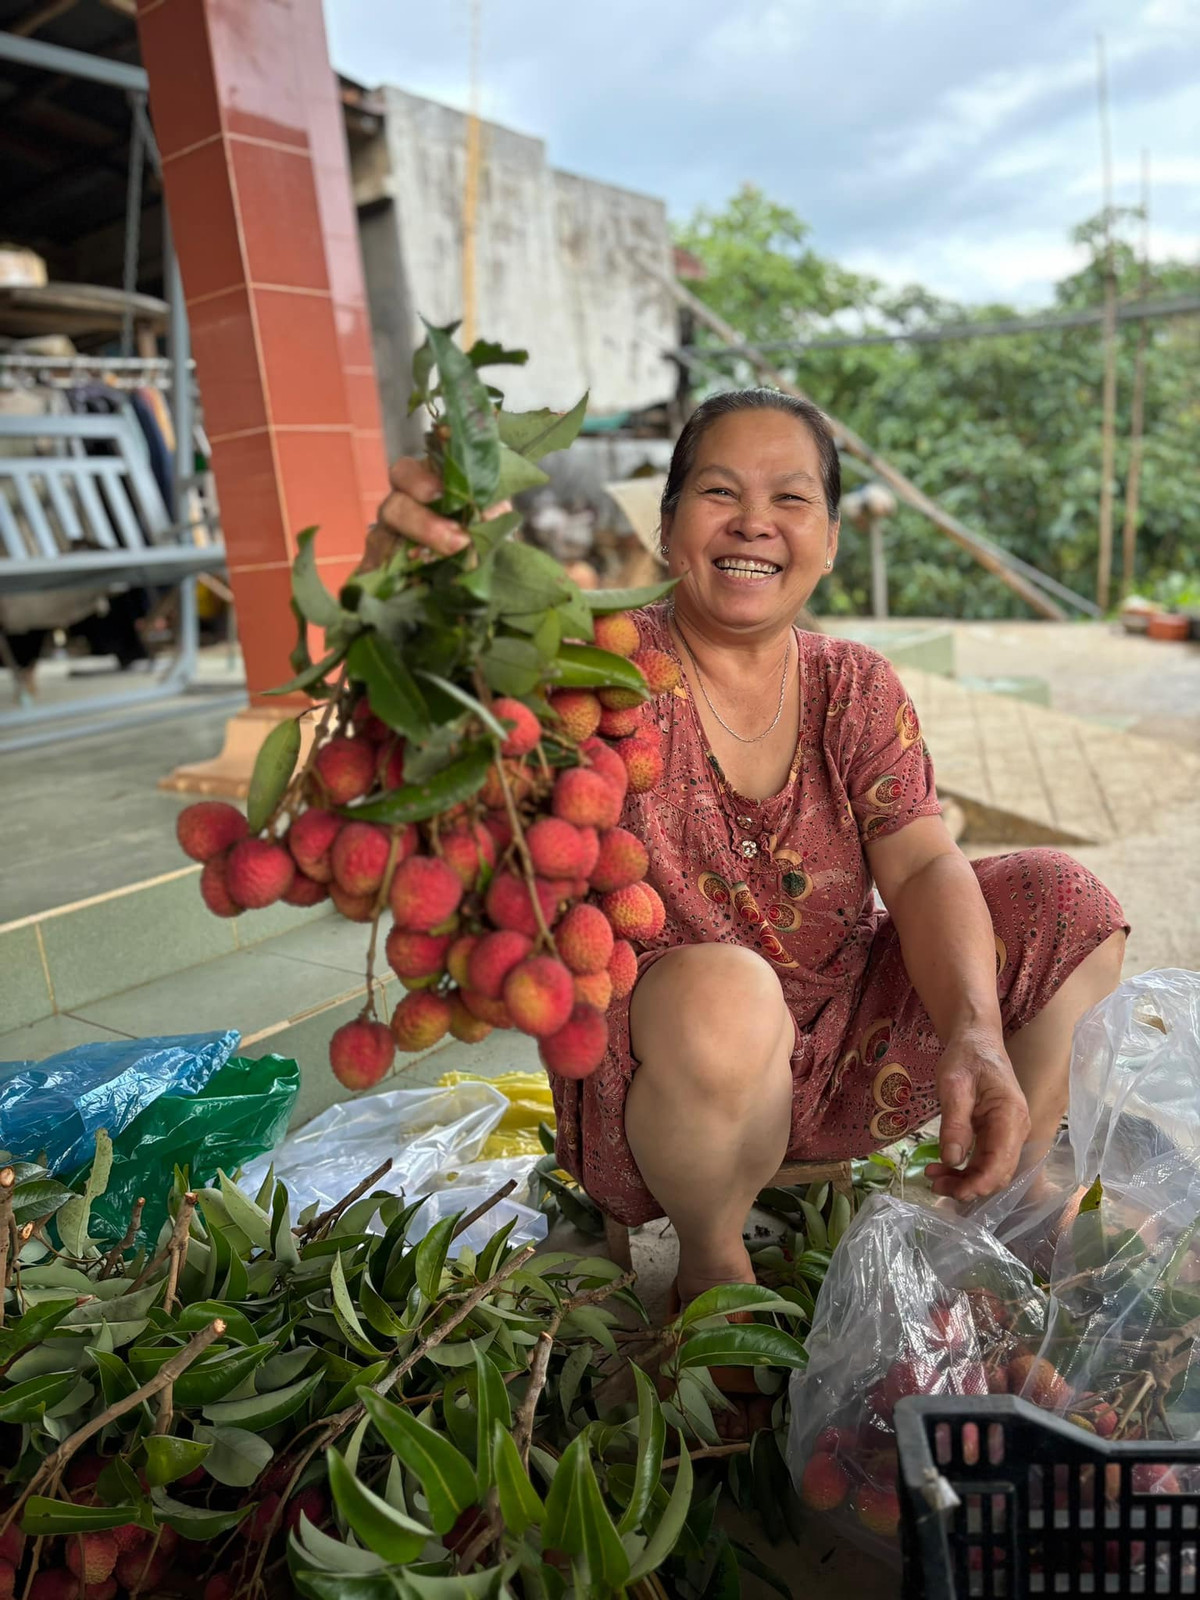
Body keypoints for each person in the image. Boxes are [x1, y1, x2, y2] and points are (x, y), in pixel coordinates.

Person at [373, 388, 1127, 1312]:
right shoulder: (596, 669)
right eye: (720, 493)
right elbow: (466, 703)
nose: (755, 523)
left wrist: (974, 1033)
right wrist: (420, 604)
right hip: (669, 1074)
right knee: (731, 990)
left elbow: (925, 863)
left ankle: (1010, 1193)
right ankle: (707, 1256)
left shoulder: (853, 683)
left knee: (1067, 902)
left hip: (847, 1052)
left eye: (792, 499)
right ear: (667, 526)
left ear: (832, 539)